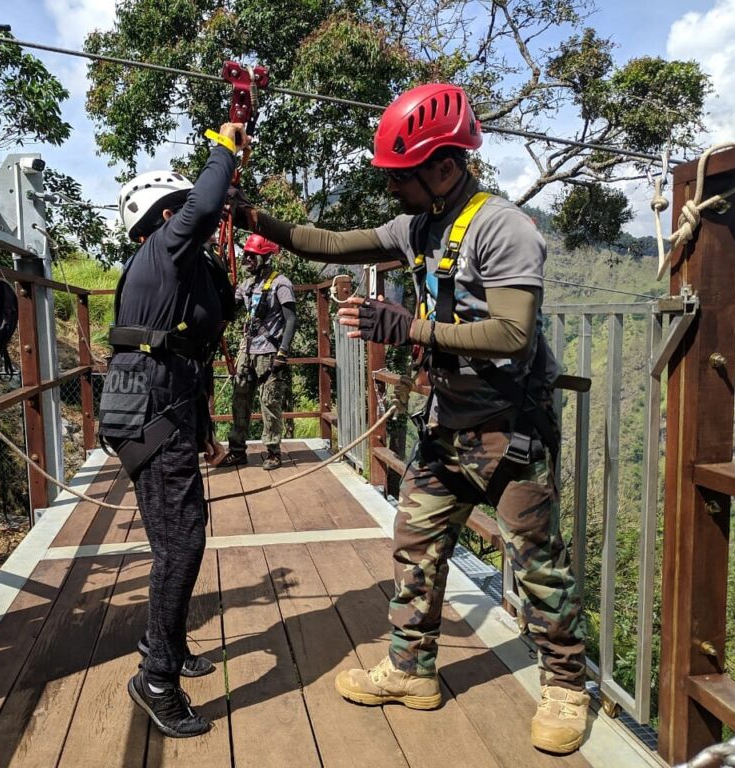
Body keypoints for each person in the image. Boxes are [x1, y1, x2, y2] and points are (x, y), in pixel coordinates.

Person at [233, 83, 588, 754]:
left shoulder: (501, 227)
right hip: (447, 424)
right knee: (414, 544)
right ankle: (411, 669)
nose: (393, 186)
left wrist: (410, 327)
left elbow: (513, 333)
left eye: (402, 175)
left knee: (538, 564)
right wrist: (260, 218)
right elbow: (333, 244)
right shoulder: (417, 226)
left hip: (509, 428)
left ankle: (568, 686)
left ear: (445, 168)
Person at [98, 121, 246, 739]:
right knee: (181, 543)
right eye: (181, 211)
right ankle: (157, 679)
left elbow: (188, 351)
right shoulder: (162, 250)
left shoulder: (175, 275)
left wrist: (205, 425)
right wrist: (227, 141)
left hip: (165, 403)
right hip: (150, 408)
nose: (194, 220)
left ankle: (168, 641)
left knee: (180, 536)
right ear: (164, 217)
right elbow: (207, 201)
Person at [219, 234, 297, 470]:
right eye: (246, 256)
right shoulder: (247, 284)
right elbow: (231, 308)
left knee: (269, 402)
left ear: (265, 257)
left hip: (269, 352)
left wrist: (282, 352)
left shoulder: (280, 283)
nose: (248, 260)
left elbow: (291, 319)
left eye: (253, 256)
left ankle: (273, 452)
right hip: (248, 350)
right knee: (240, 399)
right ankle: (237, 451)